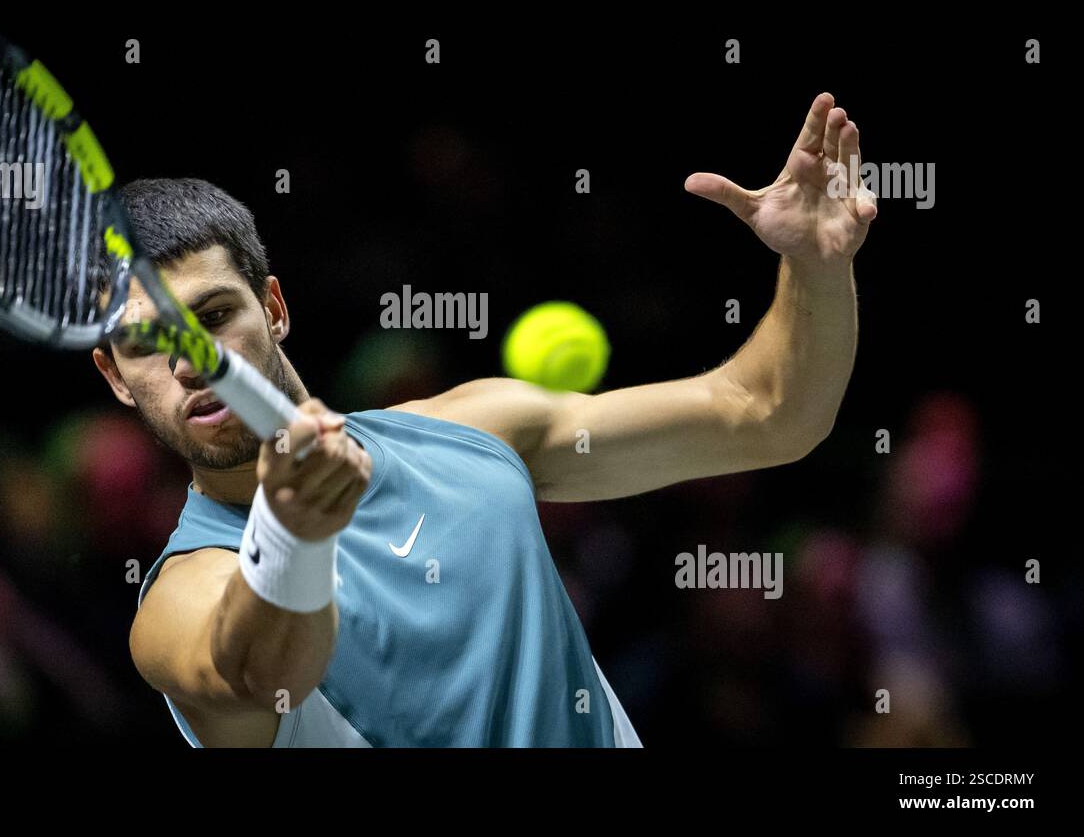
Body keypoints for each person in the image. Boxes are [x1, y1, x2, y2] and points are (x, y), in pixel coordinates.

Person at [93, 92, 876, 747]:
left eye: (216, 314)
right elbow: (264, 676)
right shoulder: (181, 595)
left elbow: (767, 413)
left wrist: (814, 264)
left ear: (274, 307)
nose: (190, 363)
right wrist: (294, 532)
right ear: (116, 378)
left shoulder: (473, 429)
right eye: (145, 345)